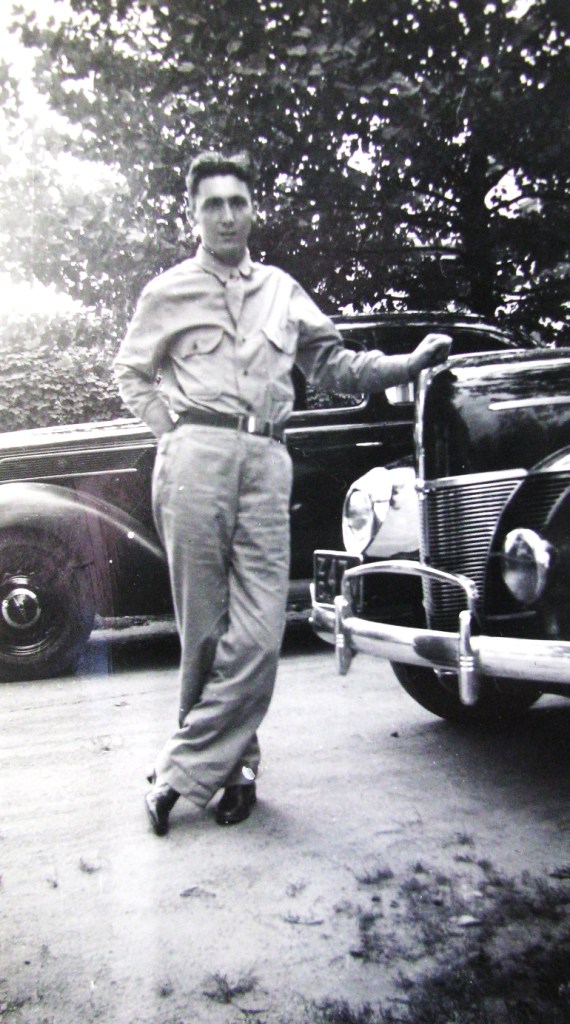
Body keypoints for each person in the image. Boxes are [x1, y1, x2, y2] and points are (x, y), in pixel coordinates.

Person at [113, 150, 451, 836]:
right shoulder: (167, 292)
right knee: (204, 629)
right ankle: (237, 770)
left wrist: (408, 363)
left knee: (262, 631)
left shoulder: (282, 290)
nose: (227, 215)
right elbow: (131, 372)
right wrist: (173, 432)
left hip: (268, 460)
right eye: (213, 204)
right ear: (193, 214)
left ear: (253, 209)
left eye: (238, 202)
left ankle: (178, 772)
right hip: (195, 460)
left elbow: (336, 365)